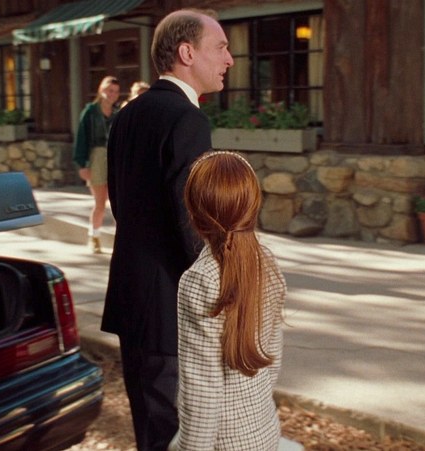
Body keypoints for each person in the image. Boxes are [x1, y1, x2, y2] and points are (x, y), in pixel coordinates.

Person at [102, 8, 234, 450]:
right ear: (187, 53)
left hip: (133, 299)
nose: (229, 59)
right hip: (171, 309)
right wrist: (222, 289)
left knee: (151, 431)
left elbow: (121, 204)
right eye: (221, 47)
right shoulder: (187, 119)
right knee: (176, 437)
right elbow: (191, 221)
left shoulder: (126, 115)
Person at [170, 151, 287, 450]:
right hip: (264, 430)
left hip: (223, 442)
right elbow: (272, 357)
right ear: (253, 207)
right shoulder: (267, 262)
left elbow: (201, 390)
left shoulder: (199, 280)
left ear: (193, 212)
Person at [73, 75, 120, 254]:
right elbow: (82, 138)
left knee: (117, 203)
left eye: (116, 91)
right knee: (100, 202)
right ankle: (94, 237)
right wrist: (82, 164)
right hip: (97, 158)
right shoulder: (90, 112)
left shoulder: (118, 113)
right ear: (101, 90)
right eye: (109, 90)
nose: (112, 94)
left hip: (114, 158)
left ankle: (120, 241)